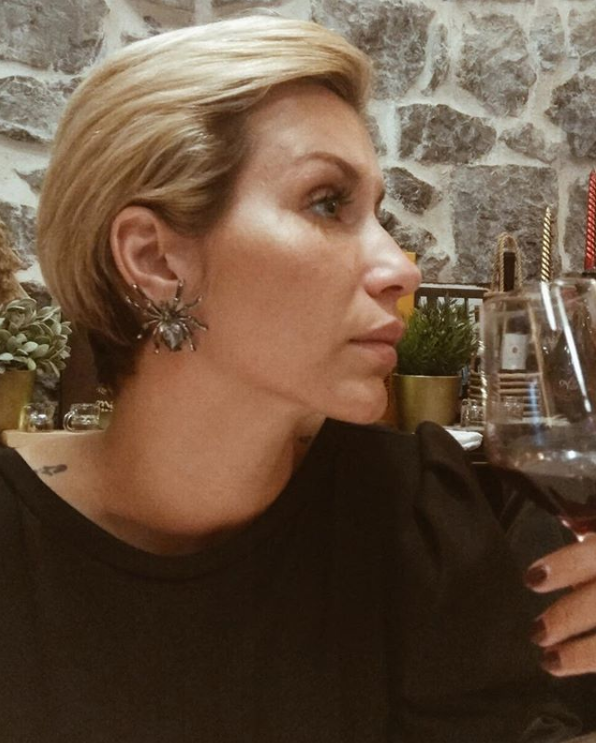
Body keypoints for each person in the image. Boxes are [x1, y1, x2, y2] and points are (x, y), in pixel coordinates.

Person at [0, 14, 582, 742]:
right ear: (154, 259)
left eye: (379, 214)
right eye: (327, 202)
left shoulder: (425, 518)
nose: (402, 269)